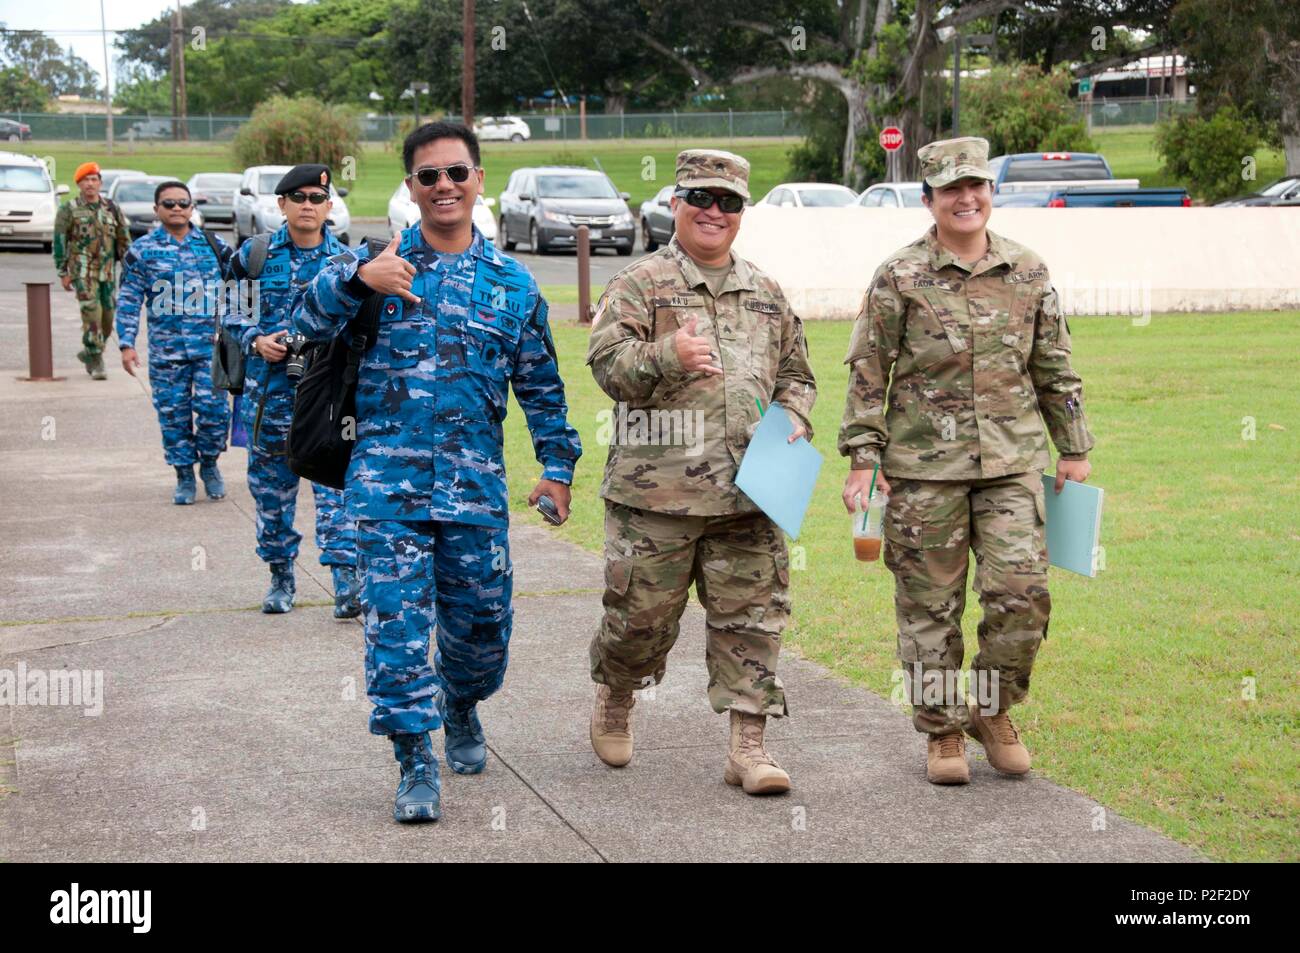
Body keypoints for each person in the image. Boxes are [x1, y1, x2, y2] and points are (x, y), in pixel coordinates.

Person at [294, 122, 581, 823]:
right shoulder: (372, 268)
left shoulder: (512, 285)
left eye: (457, 172)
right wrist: (359, 280)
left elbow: (540, 384)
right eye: (428, 176)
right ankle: (414, 757)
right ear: (412, 189)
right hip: (386, 491)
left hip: (474, 492)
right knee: (395, 631)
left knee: (483, 628)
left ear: (479, 179)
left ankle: (461, 702)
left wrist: (557, 463)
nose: (444, 186)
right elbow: (303, 322)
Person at [837, 137, 1095, 785]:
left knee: (1022, 595)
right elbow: (869, 370)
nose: (965, 198)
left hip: (1010, 467)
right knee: (929, 609)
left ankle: (992, 706)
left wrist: (1075, 448)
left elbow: (1054, 367)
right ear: (928, 199)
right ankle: (944, 729)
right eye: (951, 188)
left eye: (975, 185)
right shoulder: (899, 275)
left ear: (990, 192)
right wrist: (863, 460)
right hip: (923, 471)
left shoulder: (1028, 272)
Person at [585, 149, 817, 795]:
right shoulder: (639, 283)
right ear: (676, 204)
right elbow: (608, 367)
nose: (715, 212)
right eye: (703, 199)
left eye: (730, 202)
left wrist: (795, 413)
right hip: (657, 495)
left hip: (752, 490)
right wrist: (668, 352)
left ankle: (749, 746)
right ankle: (617, 695)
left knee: (754, 622)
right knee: (639, 621)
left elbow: (797, 372)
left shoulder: (766, 291)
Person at [224, 164, 359, 616]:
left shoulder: (345, 263)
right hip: (271, 398)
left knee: (336, 493)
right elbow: (228, 312)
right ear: (280, 204)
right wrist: (255, 341)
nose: (308, 206)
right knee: (271, 493)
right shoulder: (255, 255)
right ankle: (281, 576)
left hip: (326, 400)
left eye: (317, 199)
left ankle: (345, 582)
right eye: (298, 198)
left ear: (328, 207)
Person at [117, 180, 233, 505]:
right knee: (173, 414)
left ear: (192, 208)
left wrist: (240, 331)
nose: (177, 208)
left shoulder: (214, 245)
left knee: (214, 412)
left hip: (210, 350)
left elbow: (239, 286)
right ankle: (183, 473)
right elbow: (128, 298)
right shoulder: (142, 251)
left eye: (183, 203)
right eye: (169, 204)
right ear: (157, 210)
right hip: (166, 352)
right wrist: (126, 343)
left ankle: (209, 464)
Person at [53, 161, 131, 380]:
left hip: (107, 272)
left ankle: (90, 351)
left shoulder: (112, 208)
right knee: (92, 314)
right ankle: (96, 358)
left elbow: (124, 240)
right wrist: (63, 272)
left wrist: (131, 268)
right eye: (85, 180)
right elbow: (59, 241)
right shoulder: (68, 209)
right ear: (78, 184)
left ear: (100, 183)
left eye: (93, 180)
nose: (90, 184)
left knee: (108, 317)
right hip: (82, 272)